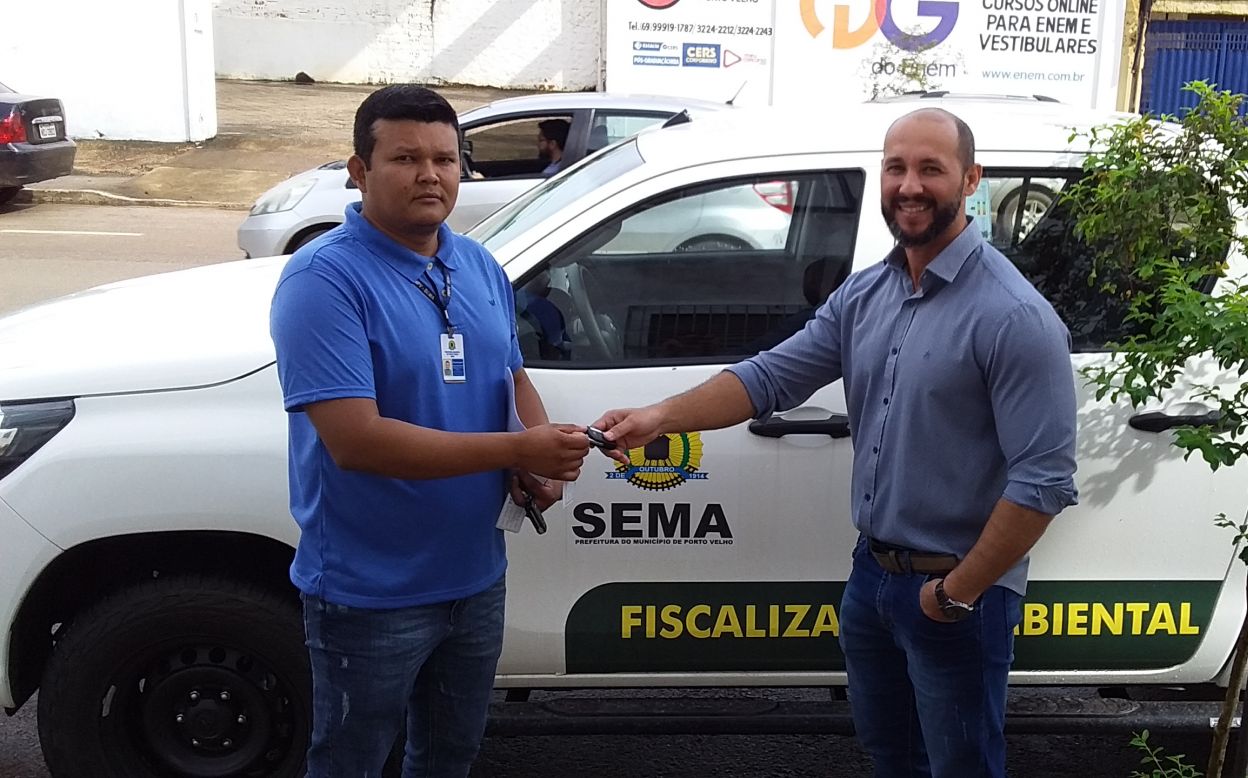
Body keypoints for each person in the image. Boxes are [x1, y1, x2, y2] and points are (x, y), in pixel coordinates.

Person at [590, 107, 1079, 778]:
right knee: (891, 759)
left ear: (972, 180)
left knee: (961, 768)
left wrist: (955, 594)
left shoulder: (1014, 316)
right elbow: (769, 378)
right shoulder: (868, 293)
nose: (909, 186)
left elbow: (1043, 483)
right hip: (873, 580)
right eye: (896, 168)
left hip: (959, 594)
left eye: (931, 169)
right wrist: (660, 417)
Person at [267, 84, 592, 777]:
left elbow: (510, 376)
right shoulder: (324, 279)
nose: (429, 176)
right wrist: (519, 447)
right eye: (405, 158)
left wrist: (537, 461)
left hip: (475, 577)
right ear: (359, 171)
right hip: (370, 592)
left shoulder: (477, 264)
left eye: (445, 159)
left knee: (450, 757)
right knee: (351, 764)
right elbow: (357, 440)